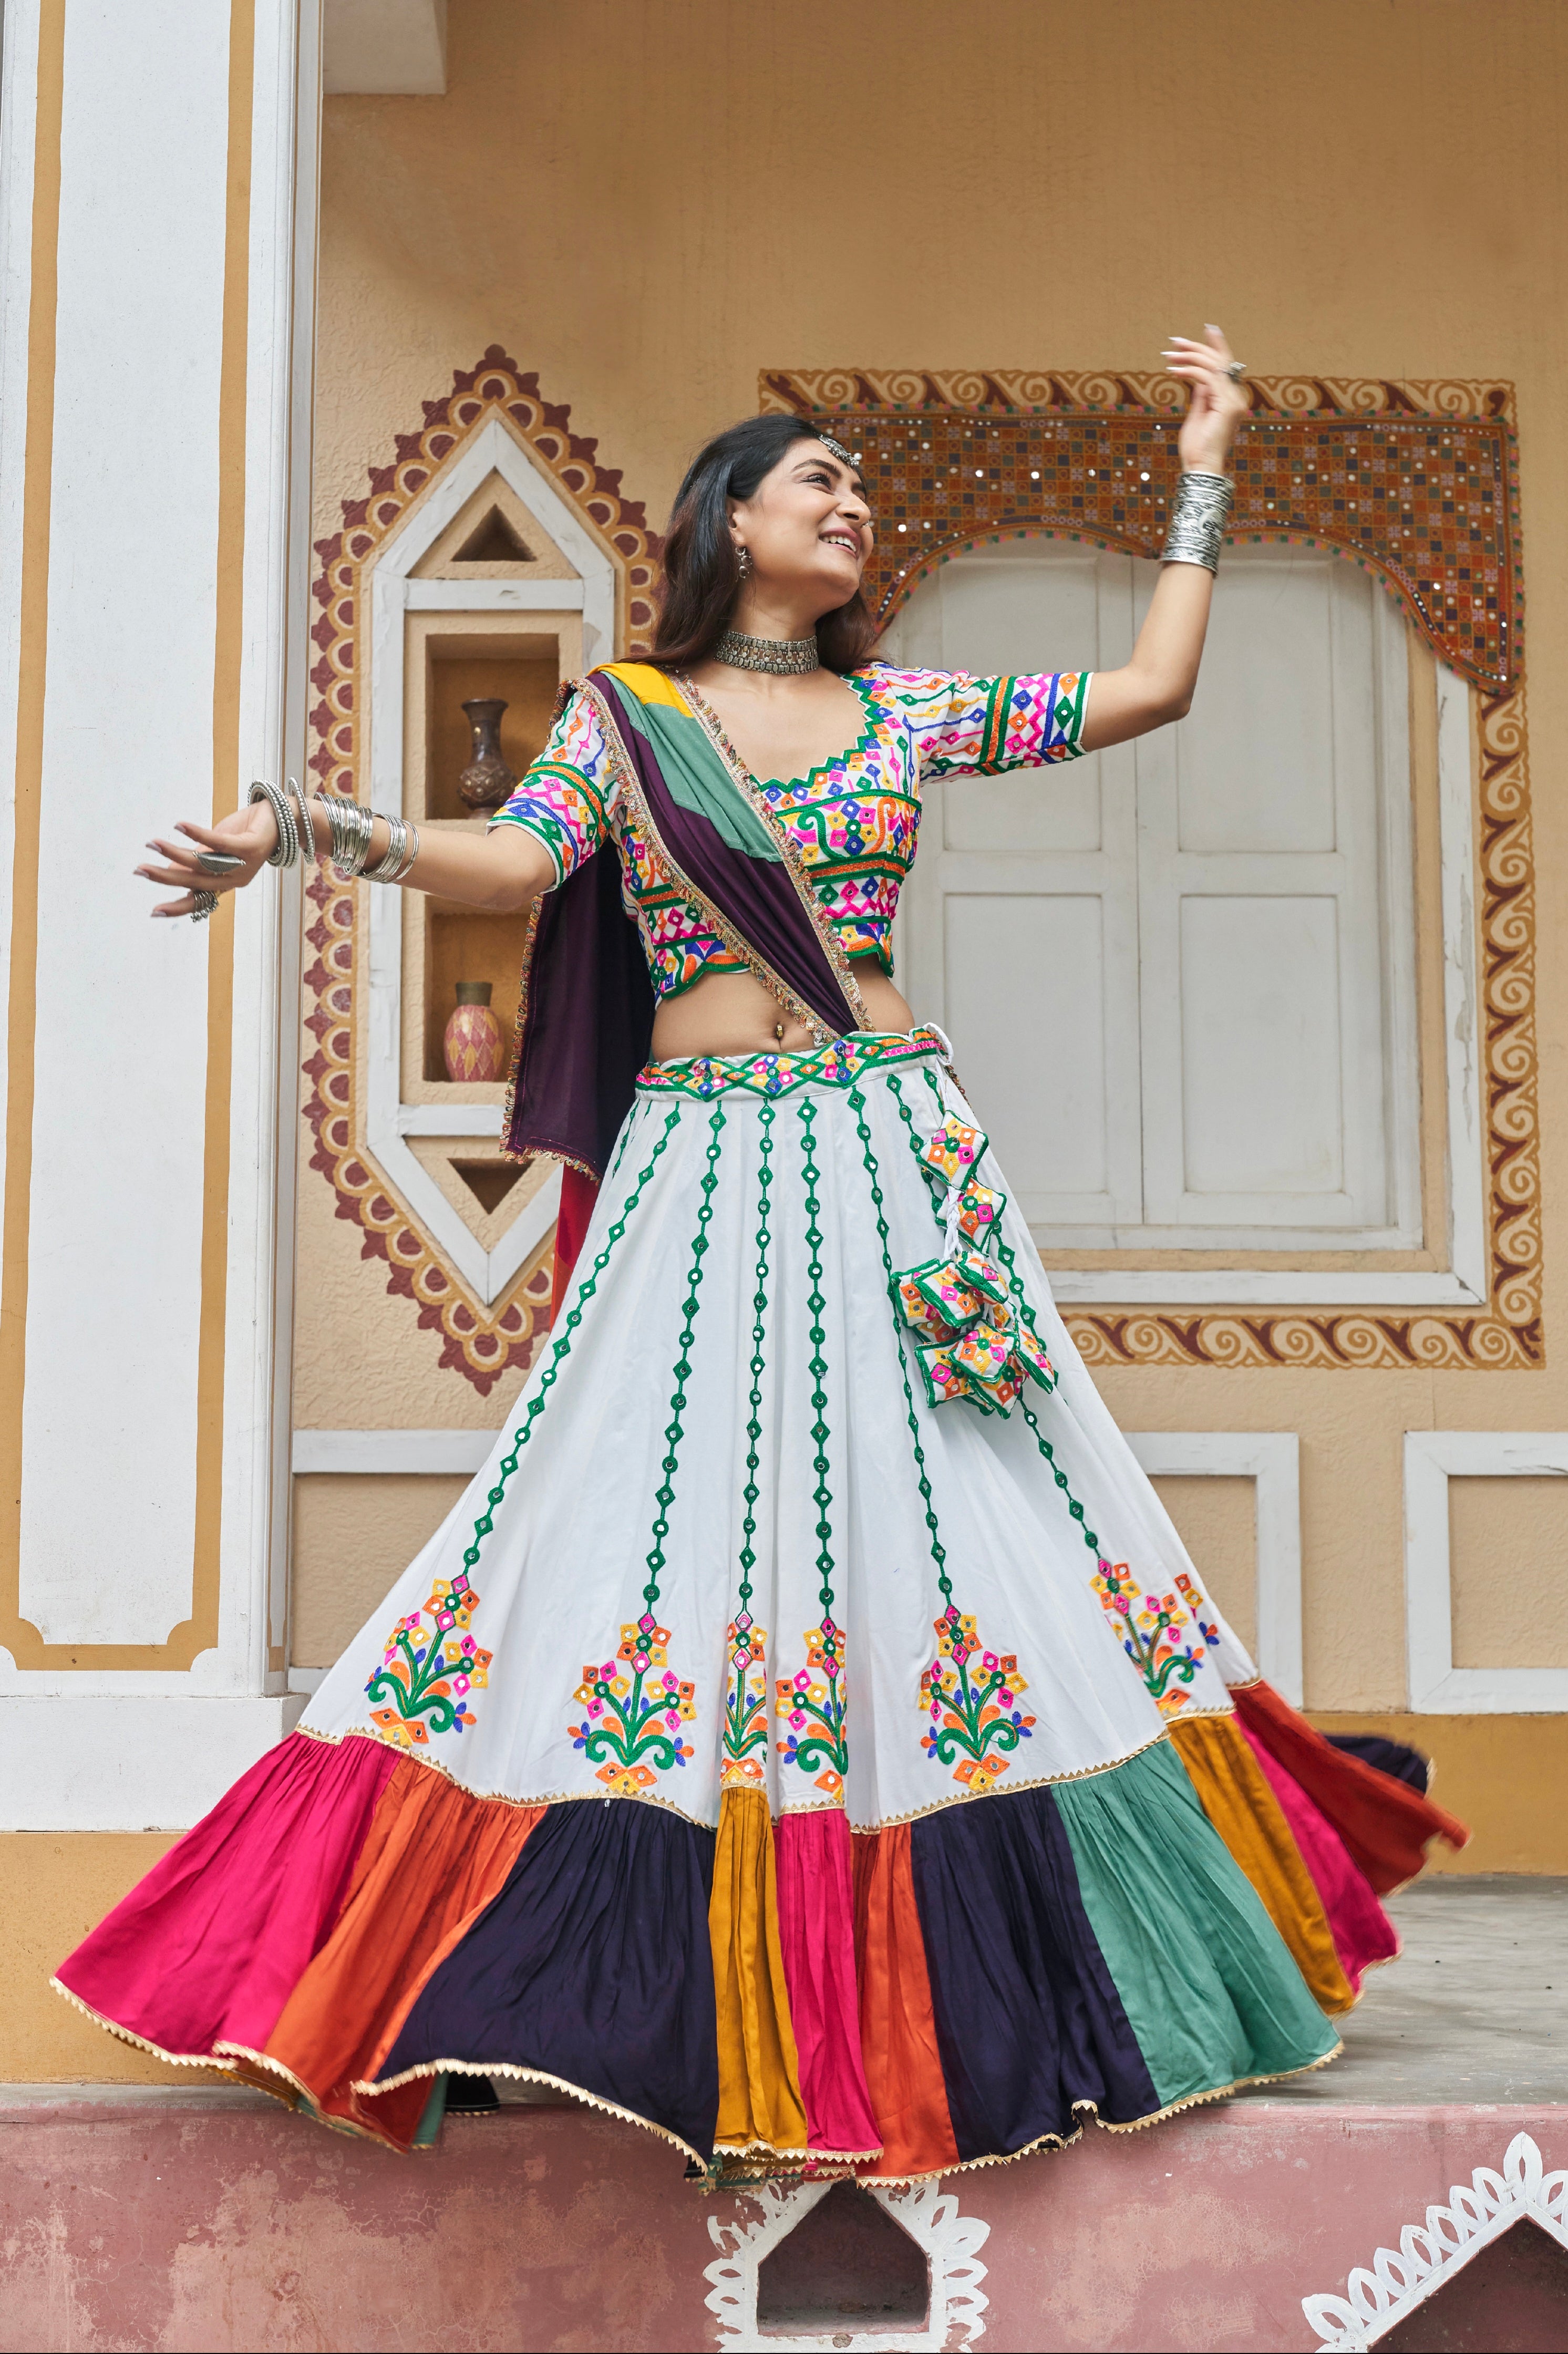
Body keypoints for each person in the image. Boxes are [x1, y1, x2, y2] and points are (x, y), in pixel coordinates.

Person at [58, 328, 1464, 2181]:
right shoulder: (630, 719)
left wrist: (1211, 465)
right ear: (733, 517)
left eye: (860, 494)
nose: (853, 508)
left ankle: (1018, 1965)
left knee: (972, 1521)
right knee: (612, 1511)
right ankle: (574, 1962)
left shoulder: (907, 716)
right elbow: (515, 867)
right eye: (821, 485)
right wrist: (298, 832)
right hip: (703, 1170)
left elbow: (1151, 689)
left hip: (895, 1157)